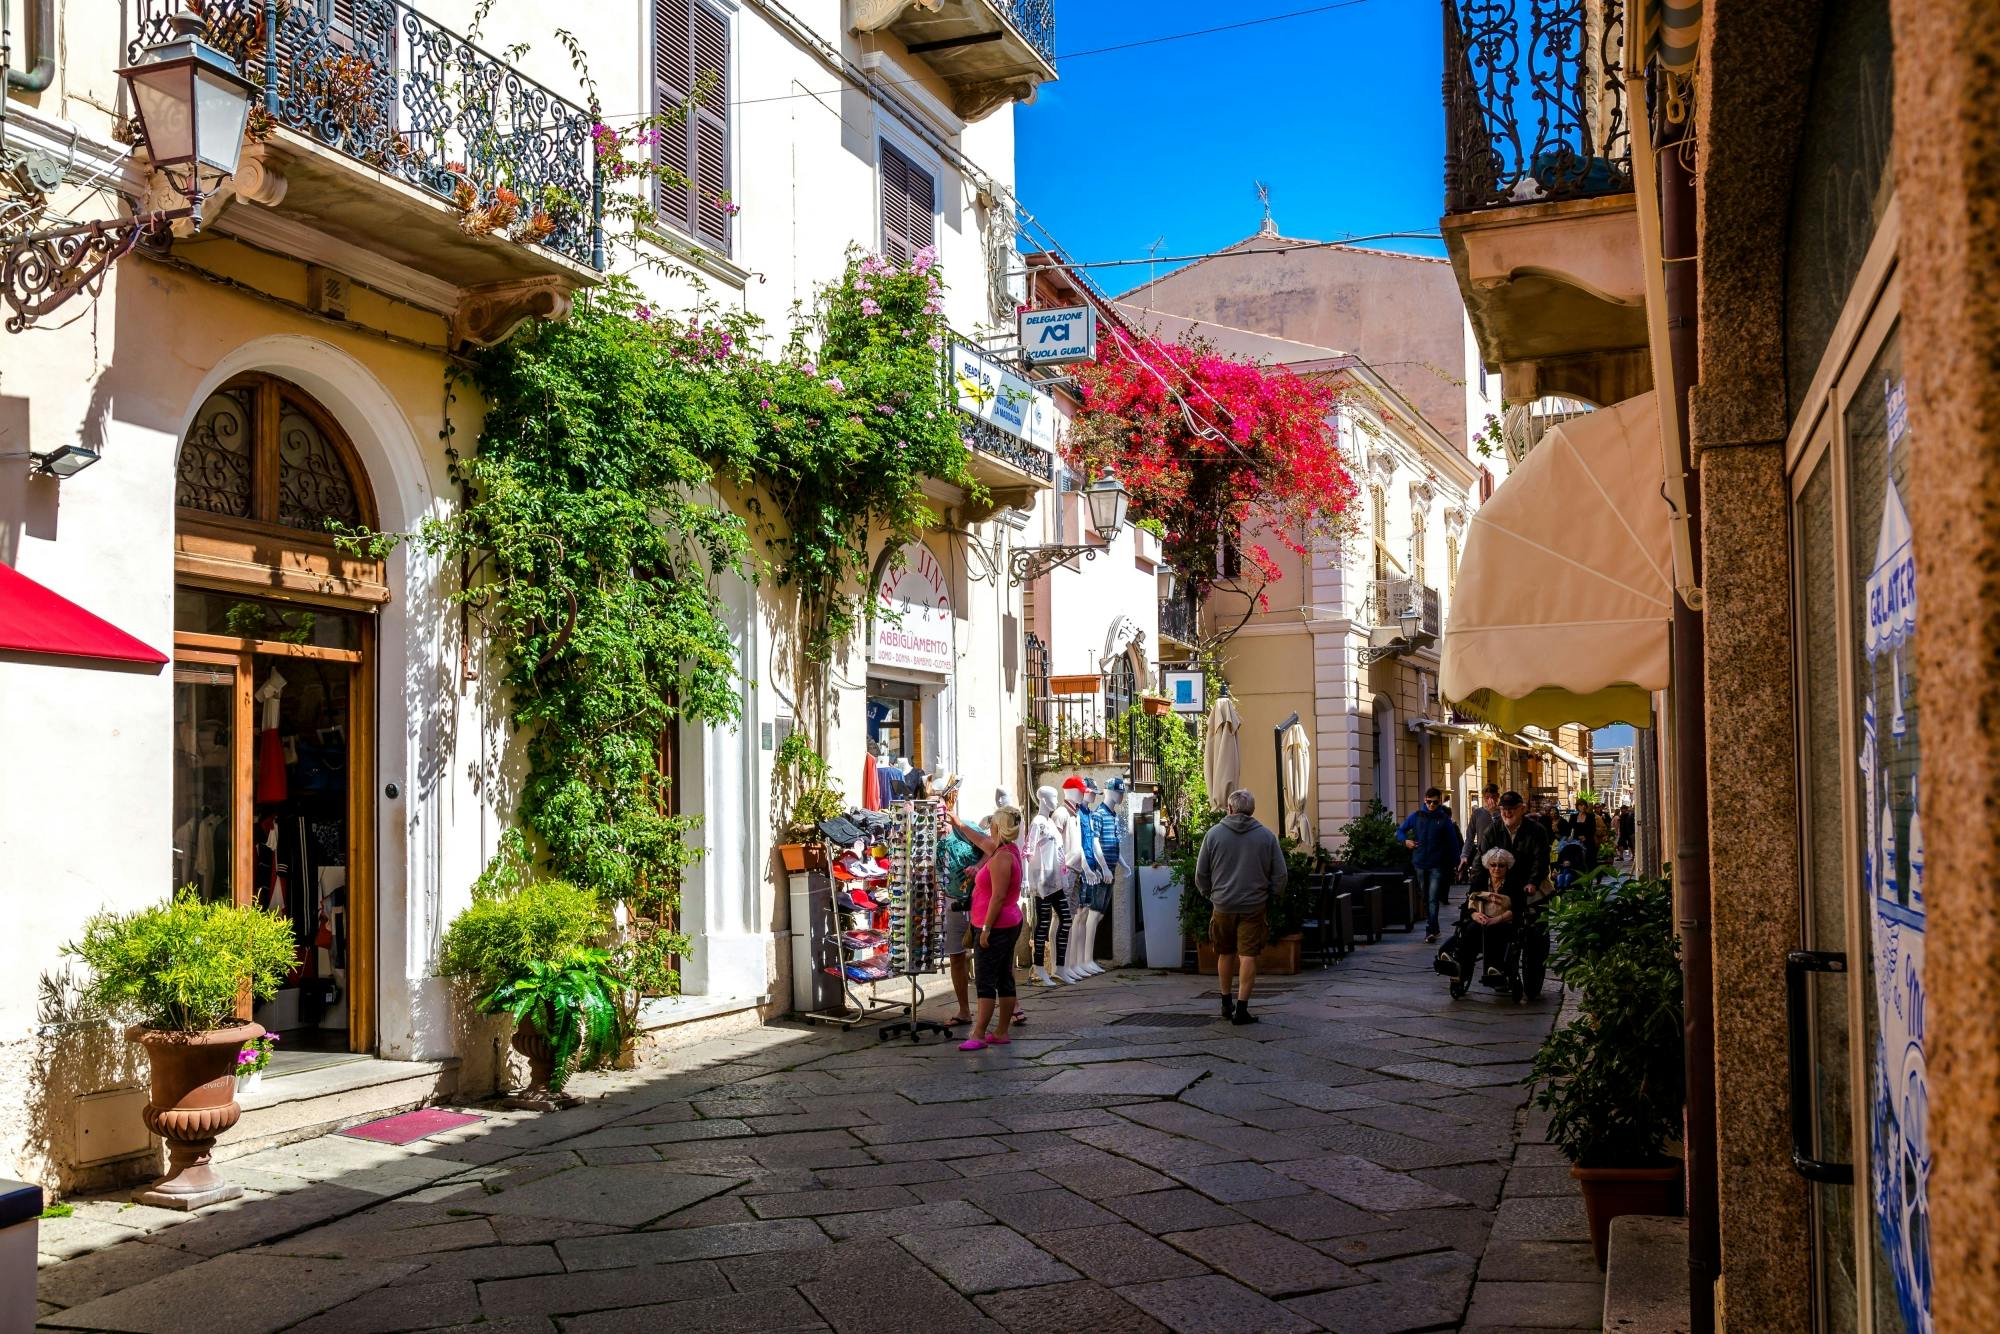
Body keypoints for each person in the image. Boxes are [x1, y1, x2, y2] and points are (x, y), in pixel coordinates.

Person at [1194, 788, 1287, 1025]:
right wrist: (1271, 896)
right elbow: (1280, 875)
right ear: (1252, 810)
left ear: (1230, 808)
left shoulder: (1213, 835)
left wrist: (1210, 894)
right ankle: (1242, 1008)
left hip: (1223, 904)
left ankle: (1226, 1002)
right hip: (1254, 905)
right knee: (1248, 956)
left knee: (1224, 952)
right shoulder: (1267, 837)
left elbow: (1200, 874)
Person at [960, 806, 1025, 1051]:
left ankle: (978, 1033)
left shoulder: (1002, 858)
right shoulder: (1007, 850)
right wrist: (959, 823)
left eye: (992, 825)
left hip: (997, 925)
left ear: (998, 827)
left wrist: (986, 928)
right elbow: (979, 839)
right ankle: (1000, 1032)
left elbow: (998, 897)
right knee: (1004, 977)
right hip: (1008, 922)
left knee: (986, 980)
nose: (989, 829)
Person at [936, 777, 991, 1026]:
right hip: (951, 903)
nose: (937, 819)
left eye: (939, 813)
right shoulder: (930, 839)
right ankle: (964, 1010)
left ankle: (1012, 1006)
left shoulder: (965, 828)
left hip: (979, 900)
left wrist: (978, 867)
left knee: (988, 954)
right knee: (957, 956)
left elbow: (992, 850)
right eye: (931, 814)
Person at [1396, 787, 1465, 944]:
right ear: (1425, 800)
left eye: (1435, 802)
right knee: (1426, 897)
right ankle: (1434, 928)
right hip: (1419, 863)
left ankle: (1430, 929)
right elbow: (1400, 831)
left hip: (1437, 864)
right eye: (1429, 802)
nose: (1432, 805)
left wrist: (1457, 864)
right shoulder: (1416, 816)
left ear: (1439, 802)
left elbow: (1453, 843)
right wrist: (1405, 841)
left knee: (1433, 897)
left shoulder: (1444, 819)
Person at [1477, 790, 1552, 915]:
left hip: (1530, 884)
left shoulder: (1536, 830)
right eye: (1503, 809)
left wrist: (1533, 882)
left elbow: (1541, 859)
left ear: (1522, 809)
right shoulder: (1492, 830)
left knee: (1535, 923)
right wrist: (1476, 888)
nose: (1507, 812)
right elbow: (1480, 859)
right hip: (1503, 885)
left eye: (1512, 808)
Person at [1462, 847, 1520, 987]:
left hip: (1503, 921)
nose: (1496, 869)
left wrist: (1496, 919)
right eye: (1493, 865)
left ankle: (1494, 969)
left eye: (1501, 865)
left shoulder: (1513, 883)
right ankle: (1461, 968)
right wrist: (1475, 914)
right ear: (1488, 866)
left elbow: (1518, 909)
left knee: (1493, 930)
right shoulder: (1480, 881)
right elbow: (1467, 905)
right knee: (1469, 929)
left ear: (1507, 867)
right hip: (1480, 919)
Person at [1460, 785, 1500, 881]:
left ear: (1498, 797)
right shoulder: (1477, 813)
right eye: (1487, 797)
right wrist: (1464, 855)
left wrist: (1493, 813)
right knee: (1478, 886)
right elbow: (1470, 837)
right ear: (1483, 797)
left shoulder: (1502, 813)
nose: (1490, 800)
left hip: (1499, 855)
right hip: (1482, 855)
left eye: (1493, 797)